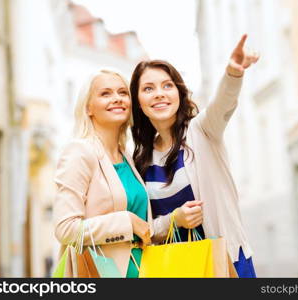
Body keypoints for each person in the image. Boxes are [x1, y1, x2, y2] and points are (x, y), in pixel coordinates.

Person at [130, 34, 259, 277]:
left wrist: (233, 73)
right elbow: (145, 229)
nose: (159, 93)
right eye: (148, 88)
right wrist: (174, 220)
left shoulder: (202, 131)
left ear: (179, 93)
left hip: (224, 261)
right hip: (174, 269)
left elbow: (223, 104)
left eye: (167, 86)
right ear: (138, 101)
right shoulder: (140, 159)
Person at [53, 67, 153, 278]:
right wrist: (127, 222)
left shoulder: (127, 157)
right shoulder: (79, 152)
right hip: (99, 274)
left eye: (122, 93)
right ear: (88, 108)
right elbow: (66, 229)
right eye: (105, 93)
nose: (117, 98)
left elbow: (143, 228)